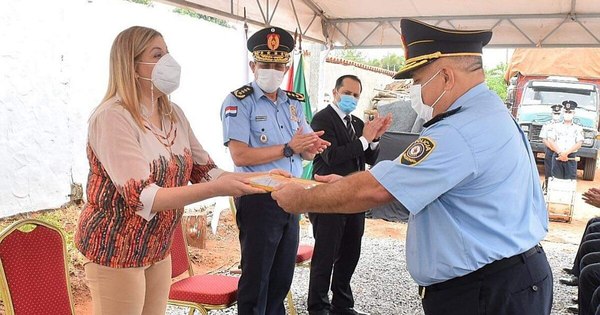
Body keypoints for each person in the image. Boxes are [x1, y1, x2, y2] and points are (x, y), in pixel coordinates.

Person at [272, 18, 553, 315]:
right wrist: (340, 184)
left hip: (485, 291)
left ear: (445, 77)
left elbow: (379, 190)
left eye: (418, 81)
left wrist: (301, 198)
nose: (414, 92)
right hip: (505, 279)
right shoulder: (490, 111)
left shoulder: (458, 129)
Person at [74, 26, 273, 315]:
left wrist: (255, 179)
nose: (169, 61)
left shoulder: (173, 113)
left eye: (167, 53)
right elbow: (143, 197)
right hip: (115, 248)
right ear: (131, 65)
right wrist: (217, 189)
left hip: (157, 246)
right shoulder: (112, 117)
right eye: (158, 54)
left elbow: (205, 170)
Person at [220, 26, 329, 314]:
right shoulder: (238, 101)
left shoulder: (292, 103)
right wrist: (289, 148)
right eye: (266, 64)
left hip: (292, 195)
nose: (273, 70)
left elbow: (302, 144)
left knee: (282, 277)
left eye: (279, 65)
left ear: (286, 67)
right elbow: (239, 154)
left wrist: (311, 147)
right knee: (257, 280)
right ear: (253, 65)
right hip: (259, 197)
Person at [307, 75, 391, 315]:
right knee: (325, 253)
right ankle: (318, 306)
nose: (351, 98)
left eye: (356, 95)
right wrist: (365, 138)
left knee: (351, 251)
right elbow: (331, 156)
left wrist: (375, 140)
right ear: (335, 92)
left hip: (354, 198)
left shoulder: (355, 122)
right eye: (347, 93)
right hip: (328, 197)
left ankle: (342, 303)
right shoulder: (322, 119)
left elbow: (367, 158)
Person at [547, 100, 584, 180]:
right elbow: (551, 140)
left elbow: (579, 143)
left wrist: (566, 154)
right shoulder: (555, 126)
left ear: (574, 114)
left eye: (570, 112)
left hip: (571, 157)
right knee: (556, 181)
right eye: (566, 112)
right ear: (563, 113)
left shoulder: (578, 128)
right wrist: (560, 153)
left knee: (570, 182)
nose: (568, 114)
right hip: (557, 156)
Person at [540, 104, 563, 192]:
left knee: (560, 170)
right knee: (548, 170)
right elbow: (544, 139)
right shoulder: (547, 125)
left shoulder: (564, 125)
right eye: (555, 113)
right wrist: (552, 148)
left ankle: (558, 190)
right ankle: (547, 188)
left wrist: (559, 150)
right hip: (550, 150)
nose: (556, 115)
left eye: (558, 114)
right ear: (552, 113)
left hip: (561, 151)